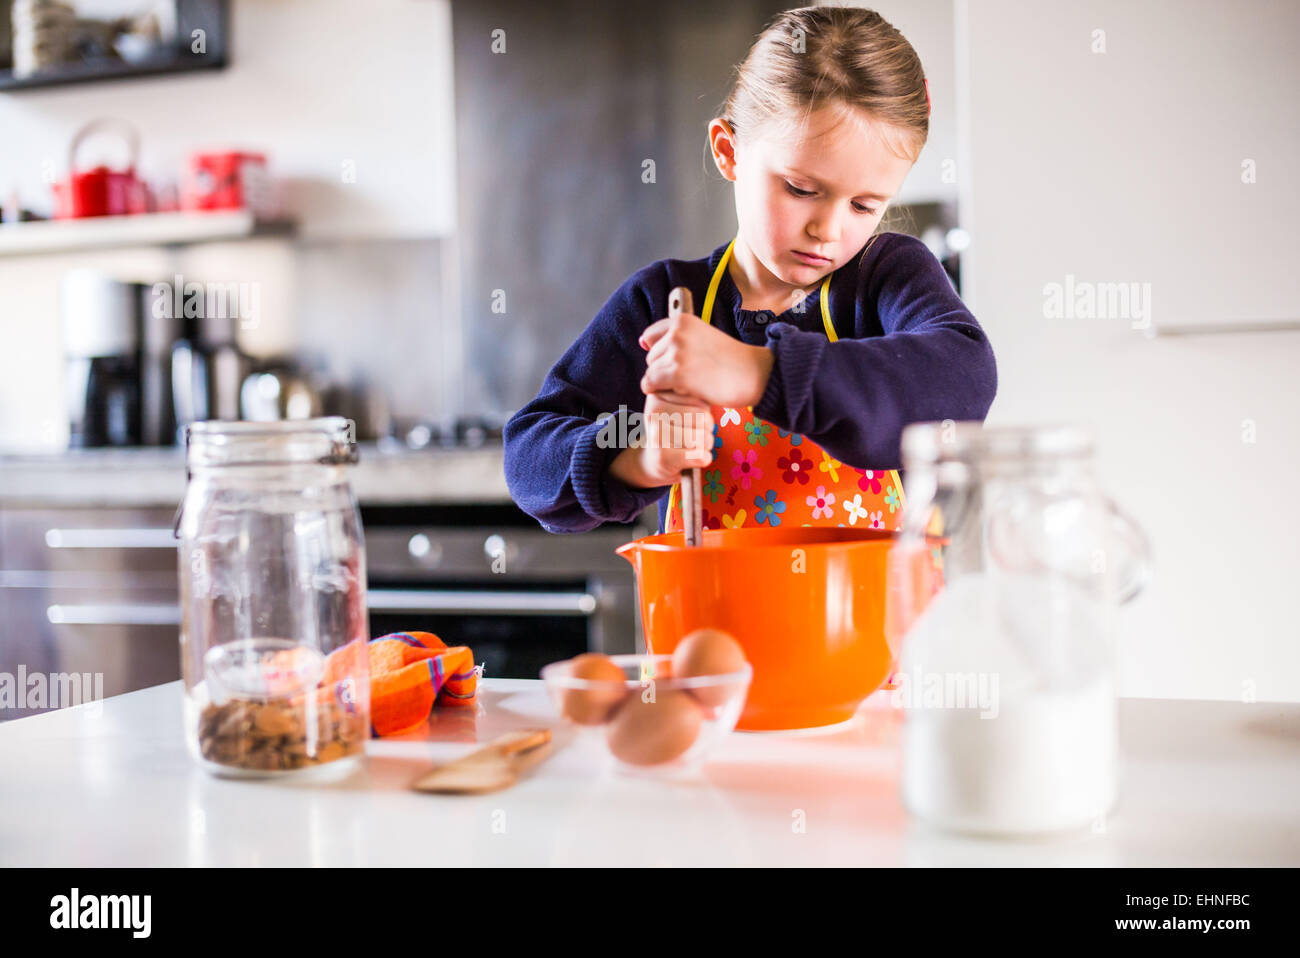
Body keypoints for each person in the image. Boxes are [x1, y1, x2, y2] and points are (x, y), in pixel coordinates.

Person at [504, 6, 996, 535]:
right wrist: (636, 457)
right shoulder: (669, 303)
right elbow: (529, 454)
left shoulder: (886, 279)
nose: (828, 230)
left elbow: (965, 378)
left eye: (864, 205)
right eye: (802, 190)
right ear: (729, 150)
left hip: (869, 617)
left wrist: (758, 373)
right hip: (712, 619)